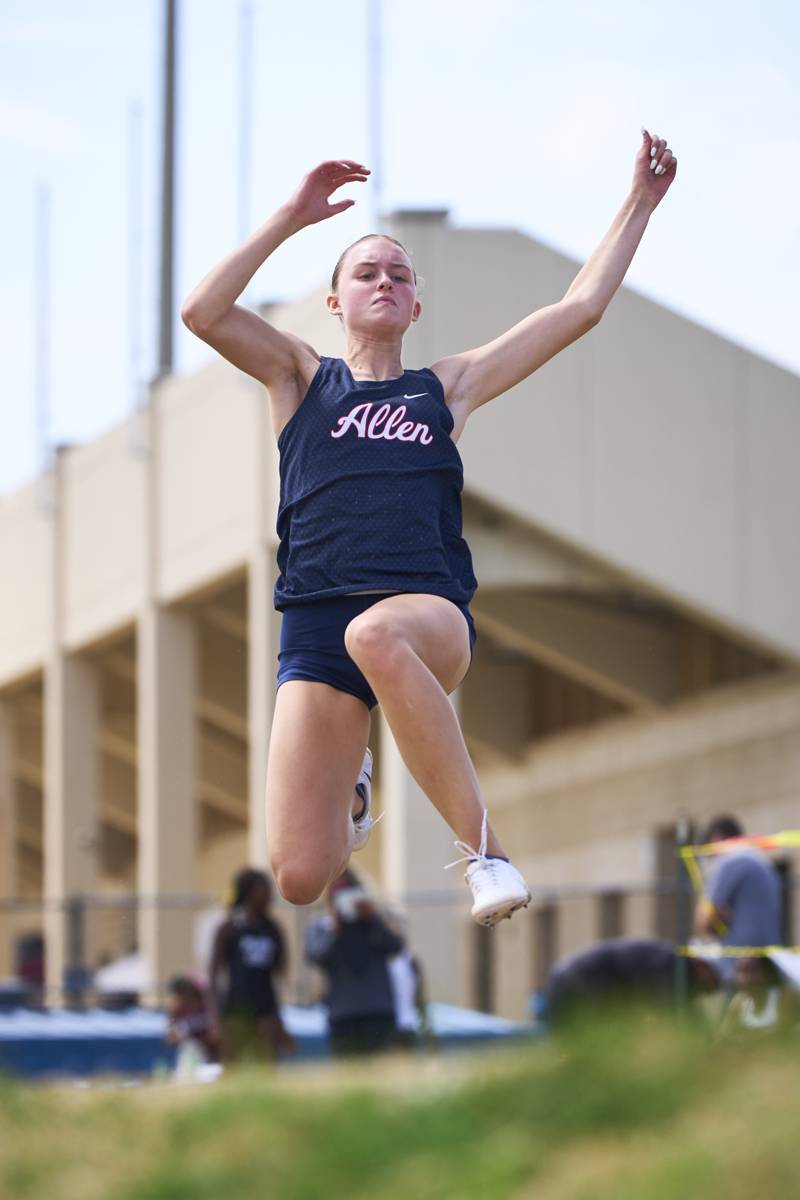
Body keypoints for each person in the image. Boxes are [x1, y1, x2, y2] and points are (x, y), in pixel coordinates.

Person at [182, 131, 677, 926]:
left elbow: (579, 308)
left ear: (416, 305)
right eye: (366, 272)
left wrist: (639, 204)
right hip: (315, 624)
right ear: (336, 301)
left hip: (425, 611)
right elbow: (202, 311)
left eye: (399, 275)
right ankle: (354, 785)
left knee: (378, 638)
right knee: (302, 875)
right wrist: (291, 217)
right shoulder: (300, 377)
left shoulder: (447, 388)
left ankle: (489, 857)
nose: (385, 281)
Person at [305, 869, 404, 1057]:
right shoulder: (322, 926)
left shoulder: (374, 920)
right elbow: (316, 956)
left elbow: (396, 946)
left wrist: (371, 919)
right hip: (343, 1012)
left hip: (377, 1009)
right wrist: (335, 930)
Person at [209, 867, 294, 1064]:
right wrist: (215, 1016)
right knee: (233, 1065)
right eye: (263, 889)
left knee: (266, 1064)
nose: (269, 895)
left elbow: (279, 973)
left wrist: (280, 1021)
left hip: (266, 1009)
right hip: (235, 1010)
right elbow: (214, 973)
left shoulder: (272, 929)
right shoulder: (229, 928)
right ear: (248, 892)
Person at [546, 937, 719, 1026]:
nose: (716, 987)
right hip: (581, 980)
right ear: (702, 966)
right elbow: (674, 1011)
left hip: (568, 977)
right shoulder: (672, 966)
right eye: (716, 978)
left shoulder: (672, 964)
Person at [694, 816, 783, 985]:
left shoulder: (729, 861)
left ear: (716, 838)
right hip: (770, 962)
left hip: (742, 968)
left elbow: (703, 921)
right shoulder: (761, 860)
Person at [164, 974, 219, 1078]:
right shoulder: (178, 1011)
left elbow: (216, 1035)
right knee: (190, 1048)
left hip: (212, 1057)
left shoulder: (207, 1006)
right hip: (191, 1057)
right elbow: (170, 1039)